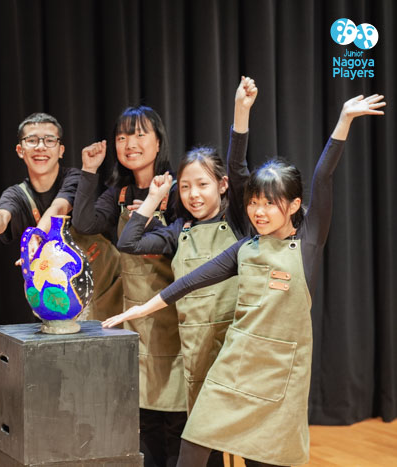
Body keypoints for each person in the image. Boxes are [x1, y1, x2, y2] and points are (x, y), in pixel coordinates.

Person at [104, 94, 386, 466]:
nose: (259, 211)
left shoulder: (308, 243)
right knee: (195, 440)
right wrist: (139, 310)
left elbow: (323, 176)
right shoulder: (246, 248)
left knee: (263, 456)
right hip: (234, 363)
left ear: (294, 205)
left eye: (270, 203)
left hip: (279, 369)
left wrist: (344, 121)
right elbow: (188, 283)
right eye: (254, 202)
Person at [117, 77, 257, 467]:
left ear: (222, 186)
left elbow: (238, 165)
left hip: (232, 349)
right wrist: (154, 198)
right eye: (186, 187)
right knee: (200, 442)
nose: (194, 194)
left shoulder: (239, 220)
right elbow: (128, 243)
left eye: (203, 185)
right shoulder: (179, 230)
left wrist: (241, 112)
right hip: (194, 353)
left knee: (241, 439)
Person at [73, 106, 186, 465]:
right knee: (145, 416)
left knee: (179, 418)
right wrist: (89, 170)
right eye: (122, 137)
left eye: (139, 134)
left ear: (158, 142)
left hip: (175, 317)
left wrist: (152, 215)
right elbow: (85, 223)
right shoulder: (119, 193)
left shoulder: (178, 189)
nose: (129, 143)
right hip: (136, 318)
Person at [0, 112, 122, 321]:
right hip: (59, 298)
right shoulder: (16, 194)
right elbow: (3, 216)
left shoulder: (75, 178)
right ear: (20, 150)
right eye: (32, 140)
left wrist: (37, 235)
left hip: (107, 287)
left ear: (61, 150)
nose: (41, 147)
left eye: (49, 140)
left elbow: (59, 207)